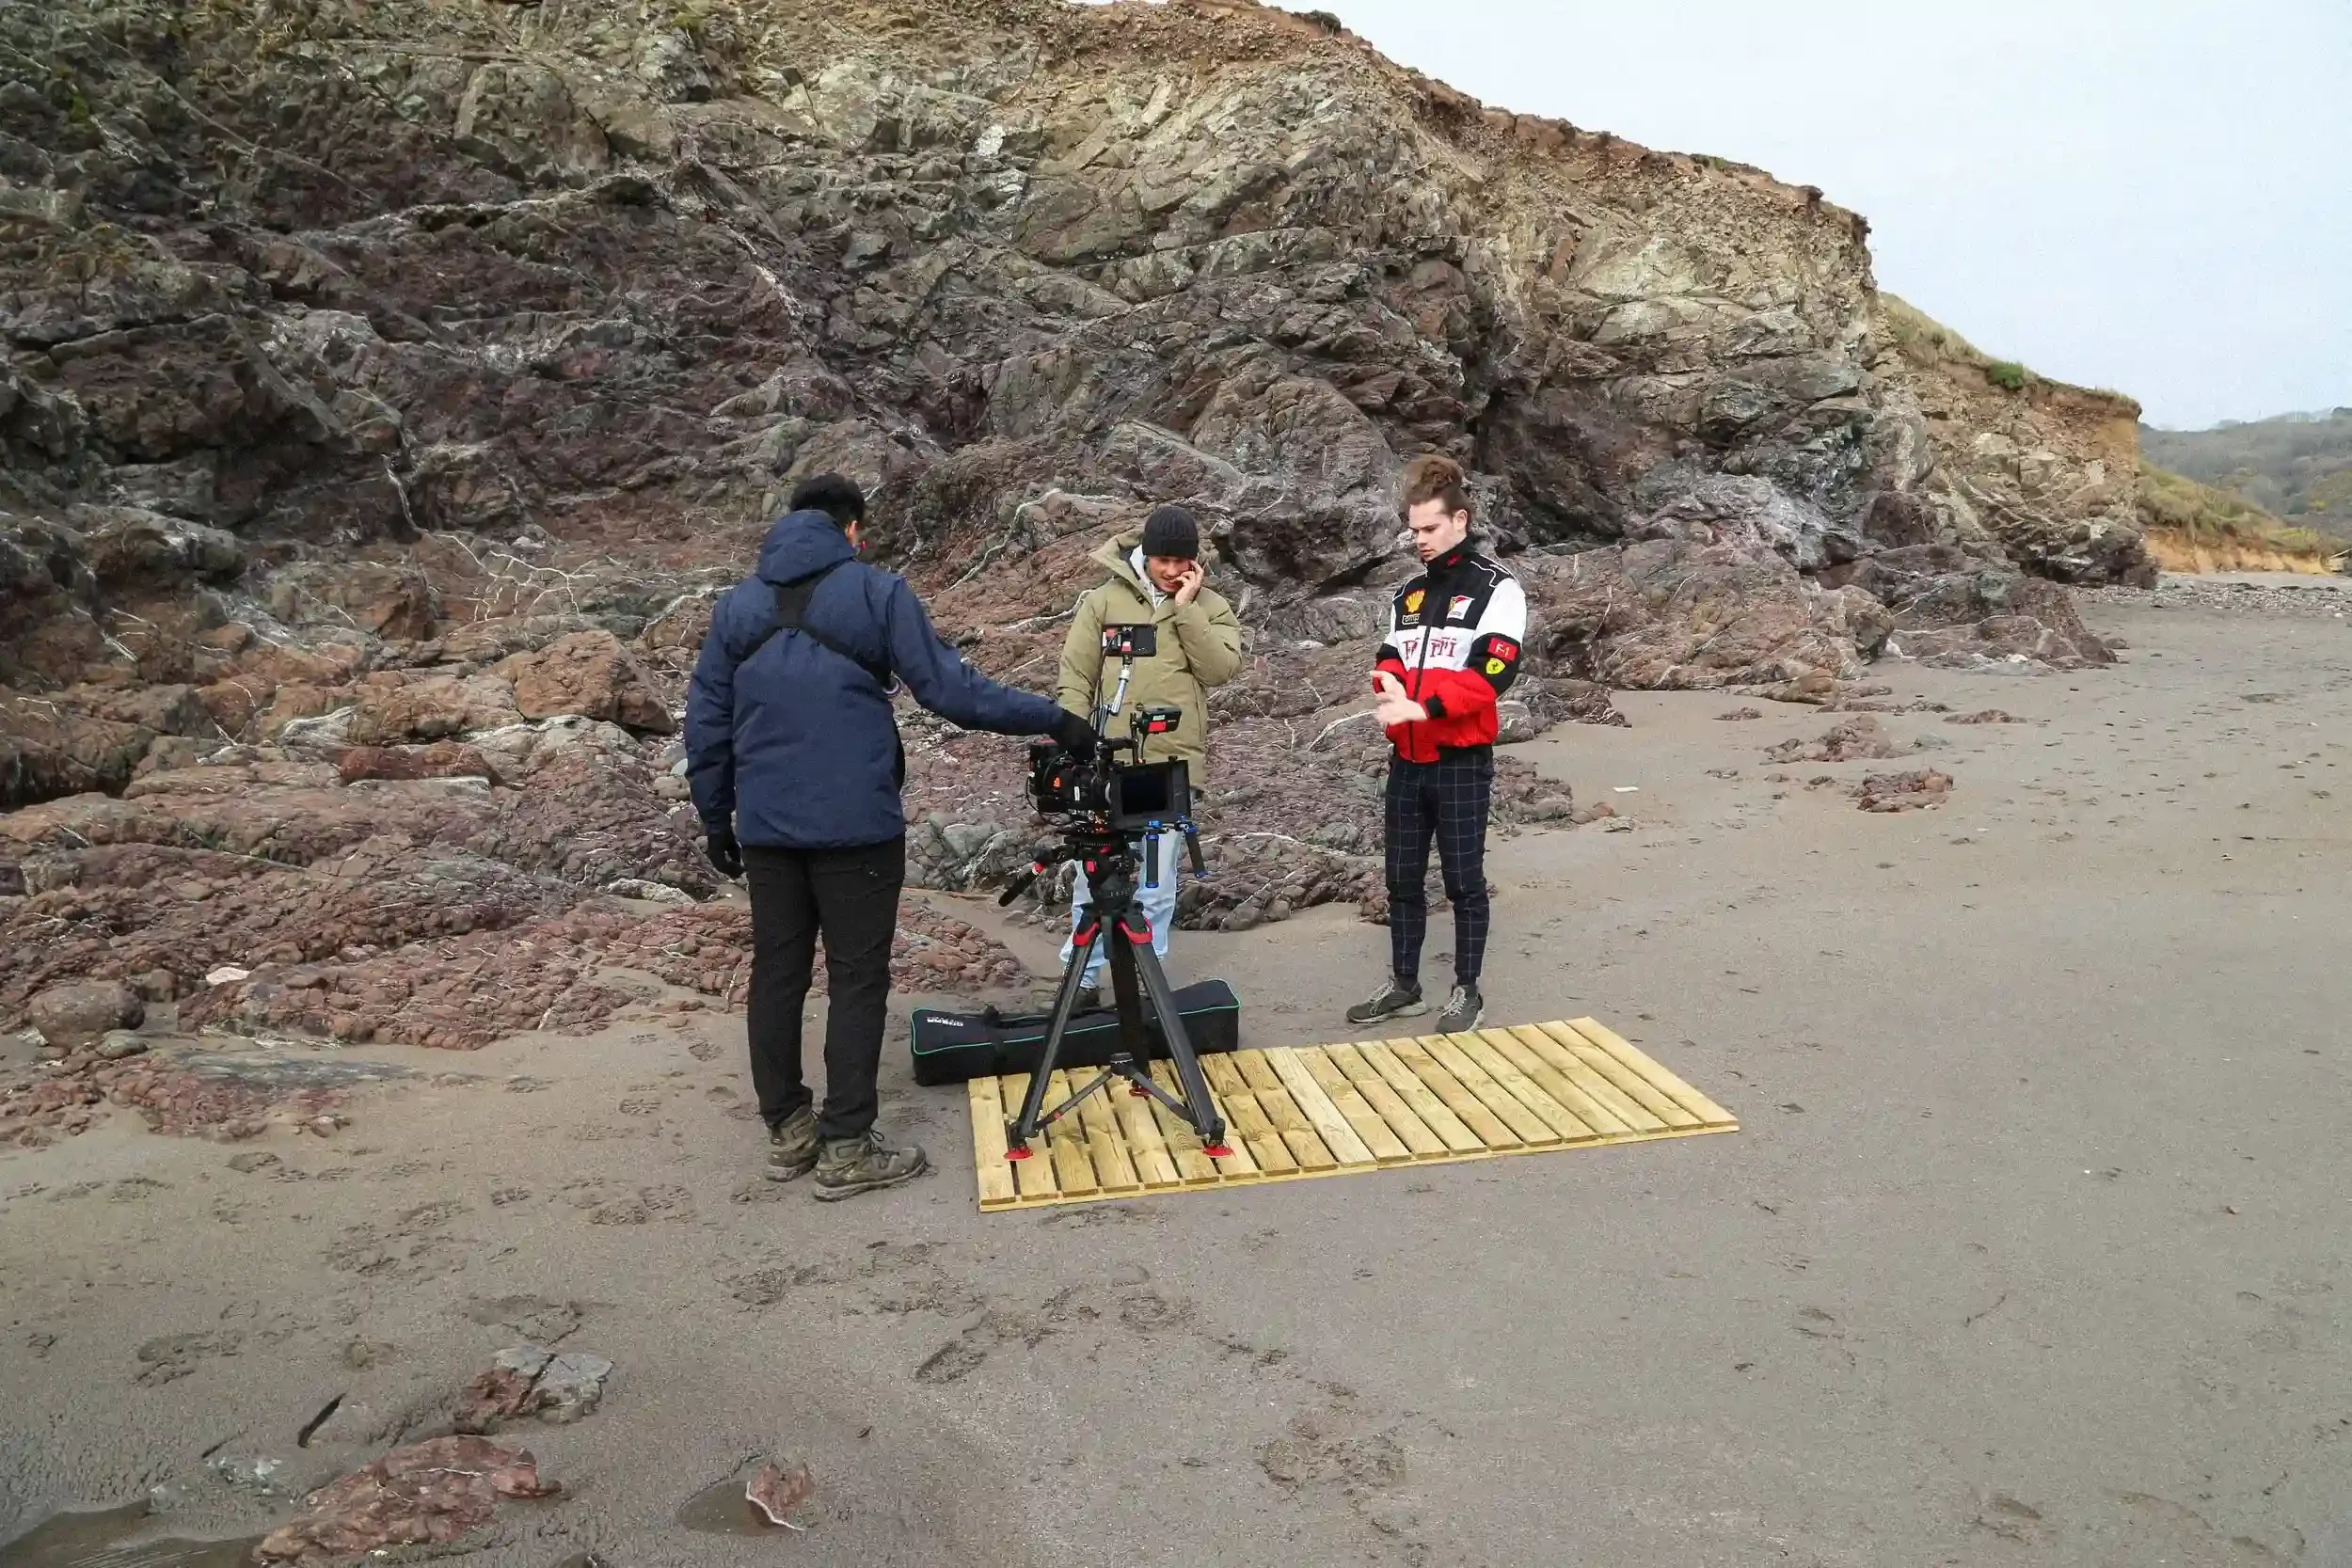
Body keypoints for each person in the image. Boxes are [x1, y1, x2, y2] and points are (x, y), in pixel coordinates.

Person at [686, 473, 1099, 1201]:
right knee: (856, 977)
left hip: (767, 830)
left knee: (777, 971)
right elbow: (953, 691)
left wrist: (715, 816)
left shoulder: (736, 607)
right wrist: (1056, 718)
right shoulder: (878, 593)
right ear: (850, 529)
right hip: (857, 827)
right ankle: (847, 1143)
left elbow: (707, 719)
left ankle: (788, 1128)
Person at [1346, 455, 1527, 1034]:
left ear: (1460, 521)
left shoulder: (1499, 589)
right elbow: (1388, 657)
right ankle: (1404, 985)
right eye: (1413, 529)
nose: (1418, 540)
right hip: (1407, 758)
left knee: (1463, 881)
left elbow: (1493, 672)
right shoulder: (1407, 594)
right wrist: (1389, 690)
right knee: (1400, 879)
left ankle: (1467, 990)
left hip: (1461, 759)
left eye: (1428, 528)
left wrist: (1422, 708)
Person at [1054, 505, 1244, 1008]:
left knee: (1157, 884)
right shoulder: (1102, 602)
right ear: (1145, 553)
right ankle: (1084, 980)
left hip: (1170, 768)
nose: (1171, 570)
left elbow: (1221, 668)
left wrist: (1186, 607)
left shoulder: (1211, 607)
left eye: (1182, 561)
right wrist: (1073, 739)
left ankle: (1146, 982)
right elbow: (1075, 674)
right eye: (1163, 559)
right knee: (1093, 876)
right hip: (1108, 767)